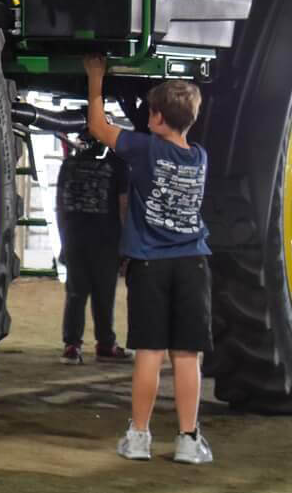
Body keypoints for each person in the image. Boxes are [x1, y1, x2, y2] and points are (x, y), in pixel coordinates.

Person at [84, 57, 214, 465]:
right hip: (193, 263)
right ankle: (188, 439)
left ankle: (139, 436)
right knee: (187, 356)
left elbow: (98, 127)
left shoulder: (144, 149)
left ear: (156, 118)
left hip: (149, 264)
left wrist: (95, 78)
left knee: (150, 353)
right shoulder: (200, 157)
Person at [55, 136, 129, 365]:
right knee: (104, 294)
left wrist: (64, 239)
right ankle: (105, 345)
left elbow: (60, 206)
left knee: (75, 293)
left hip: (74, 237)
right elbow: (123, 206)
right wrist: (126, 243)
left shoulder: (69, 165)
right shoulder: (117, 164)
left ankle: (72, 346)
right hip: (106, 240)